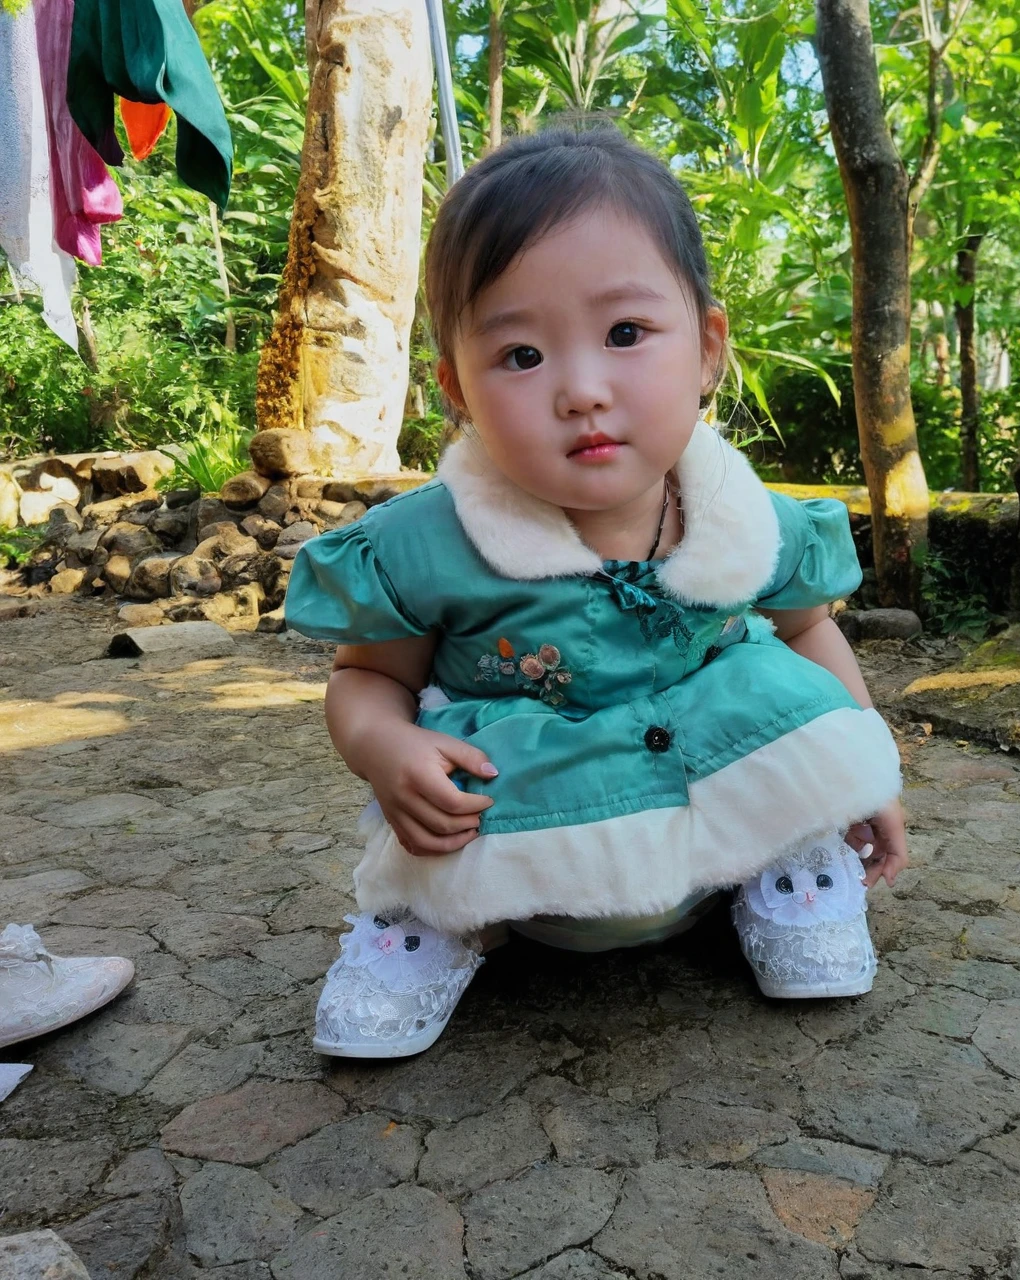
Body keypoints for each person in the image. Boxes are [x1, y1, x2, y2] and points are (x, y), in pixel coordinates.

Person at [284, 125, 909, 1060]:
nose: (580, 390)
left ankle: (793, 867)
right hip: (525, 843)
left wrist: (863, 772)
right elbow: (365, 678)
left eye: (625, 335)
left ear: (705, 348)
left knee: (770, 688)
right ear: (457, 386)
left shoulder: (752, 519)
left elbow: (812, 634)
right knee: (449, 810)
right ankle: (430, 923)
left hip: (716, 822)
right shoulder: (424, 546)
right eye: (521, 355)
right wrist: (387, 749)